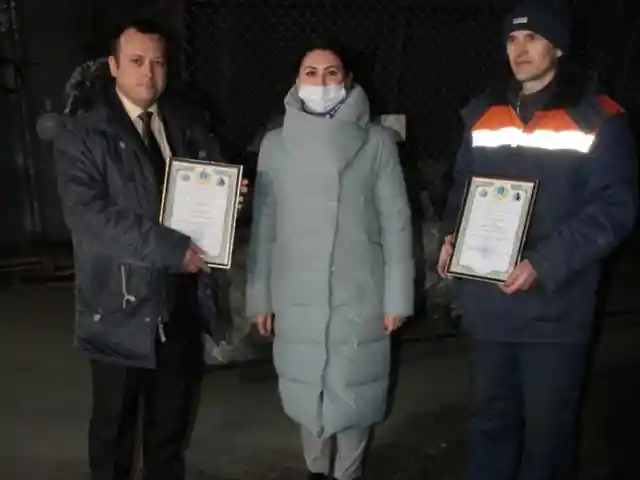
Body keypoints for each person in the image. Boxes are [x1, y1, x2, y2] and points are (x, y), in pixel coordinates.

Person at [438, 2, 638, 479]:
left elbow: (615, 209)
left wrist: (544, 263)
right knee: (488, 423)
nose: (520, 49)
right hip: (491, 307)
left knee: (548, 435)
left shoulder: (599, 118)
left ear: (559, 46)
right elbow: (462, 189)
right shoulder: (483, 114)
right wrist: (452, 237)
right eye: (512, 39)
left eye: (532, 39)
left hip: (555, 310)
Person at [54, 19, 243, 480]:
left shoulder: (182, 123)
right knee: (115, 431)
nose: (149, 73)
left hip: (179, 301)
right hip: (120, 305)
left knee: (169, 428)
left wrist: (232, 197)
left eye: (158, 62)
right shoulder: (82, 134)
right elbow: (89, 217)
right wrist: (171, 248)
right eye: (137, 61)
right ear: (114, 66)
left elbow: (209, 178)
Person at [246, 43, 414, 480]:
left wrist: (398, 297)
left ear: (348, 80)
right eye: (311, 72)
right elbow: (265, 227)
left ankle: (349, 473)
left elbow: (396, 223)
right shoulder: (276, 145)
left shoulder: (376, 143)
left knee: (355, 396)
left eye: (331, 72)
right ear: (297, 81)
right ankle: (316, 470)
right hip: (296, 292)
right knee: (308, 397)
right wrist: (260, 296)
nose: (321, 82)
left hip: (360, 292)